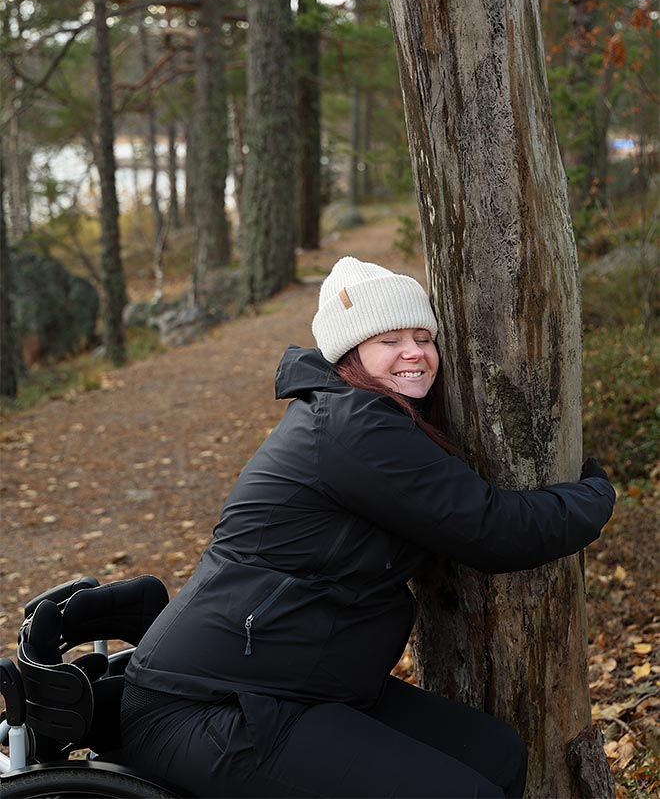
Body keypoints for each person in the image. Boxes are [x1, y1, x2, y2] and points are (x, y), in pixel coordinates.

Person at [120, 256, 616, 798]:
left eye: (423, 337)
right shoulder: (353, 426)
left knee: (495, 755)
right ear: (350, 353)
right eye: (389, 340)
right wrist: (593, 494)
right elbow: (493, 530)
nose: (414, 353)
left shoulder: (368, 415)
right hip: (210, 706)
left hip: (297, 684)